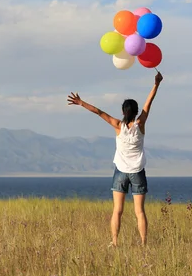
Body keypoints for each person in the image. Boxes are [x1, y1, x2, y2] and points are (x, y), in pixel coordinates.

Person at [67, 70, 163, 247]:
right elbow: (149, 103)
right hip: (138, 172)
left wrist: (81, 103)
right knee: (139, 212)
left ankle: (115, 242)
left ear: (122, 111)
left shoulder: (118, 126)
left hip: (120, 172)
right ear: (135, 112)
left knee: (117, 211)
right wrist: (156, 84)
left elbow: (99, 112)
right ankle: (143, 244)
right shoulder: (140, 125)